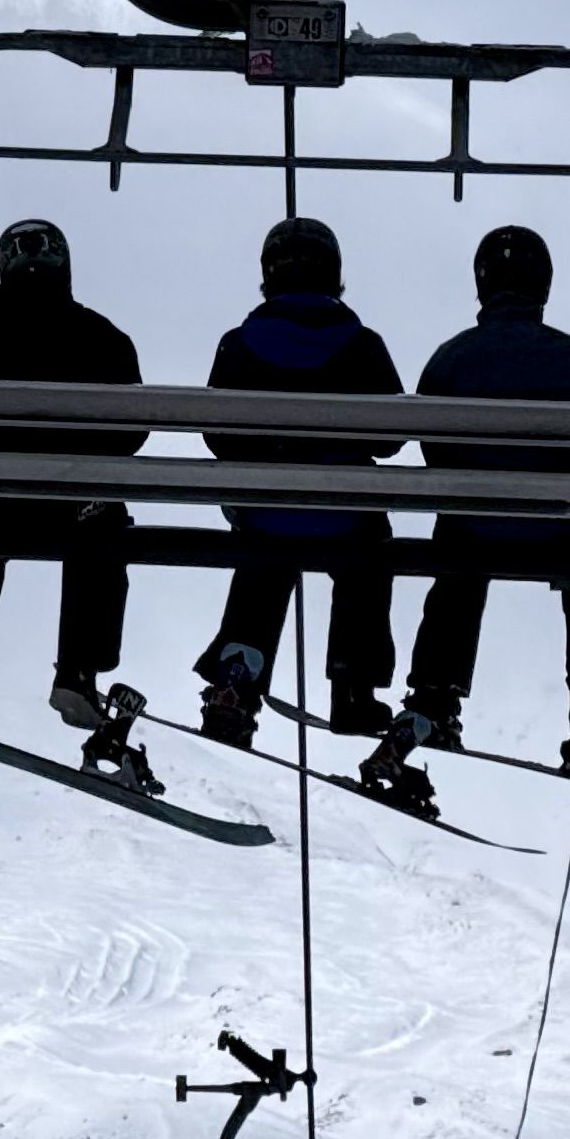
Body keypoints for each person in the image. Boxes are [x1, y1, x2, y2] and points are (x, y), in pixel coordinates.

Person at [391, 221, 570, 798]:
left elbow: (430, 442)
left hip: (475, 529)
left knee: (459, 556)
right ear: (544, 286)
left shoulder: (451, 359)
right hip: (562, 527)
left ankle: (435, 696)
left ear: (483, 286)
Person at [0, 218, 161, 789]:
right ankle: (78, 670)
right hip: (75, 507)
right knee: (104, 531)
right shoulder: (101, 337)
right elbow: (134, 427)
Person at [191, 216, 404, 766]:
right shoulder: (362, 344)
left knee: (265, 555)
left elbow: (218, 436)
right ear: (333, 275)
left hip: (265, 512)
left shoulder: (239, 344)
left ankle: (237, 680)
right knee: (368, 552)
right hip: (344, 515)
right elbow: (392, 440)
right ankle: (354, 686)